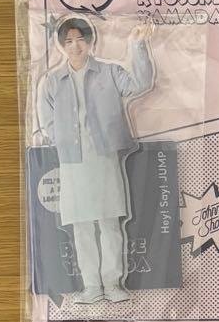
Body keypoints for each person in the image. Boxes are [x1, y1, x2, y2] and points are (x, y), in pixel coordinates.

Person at [37, 16, 153, 304]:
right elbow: (46, 119)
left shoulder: (109, 72)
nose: (75, 46)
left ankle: (112, 284)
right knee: (81, 226)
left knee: (110, 222)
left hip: (104, 157)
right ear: (62, 45)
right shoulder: (52, 82)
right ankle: (91, 286)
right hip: (71, 161)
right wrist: (62, 140)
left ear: (90, 41)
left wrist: (137, 44)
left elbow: (141, 83)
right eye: (68, 41)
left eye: (80, 39)